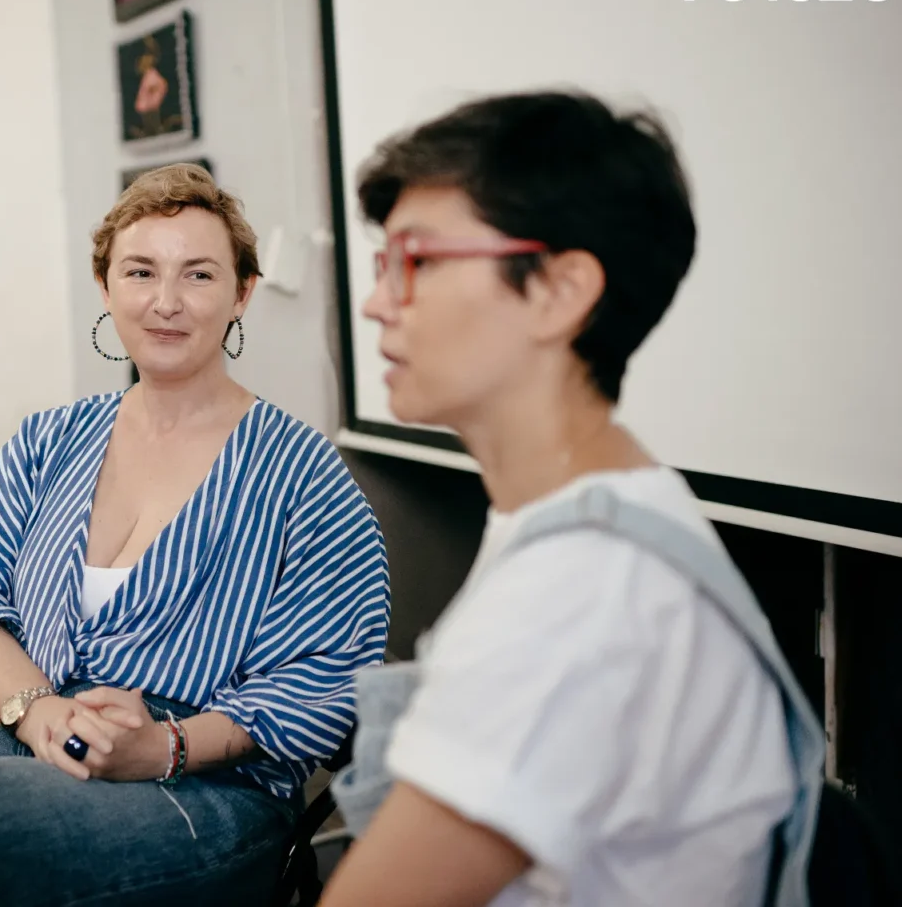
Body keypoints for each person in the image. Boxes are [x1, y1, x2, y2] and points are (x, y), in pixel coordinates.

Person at [0, 164, 390, 906]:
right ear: (105, 287)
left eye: (199, 275)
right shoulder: (48, 441)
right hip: (8, 745)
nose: (166, 302)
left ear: (242, 293)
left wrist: (161, 745)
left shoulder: (303, 473)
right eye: (140, 272)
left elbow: (322, 684)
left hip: (194, 789)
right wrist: (40, 713)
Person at [320, 92, 817, 906]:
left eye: (417, 260)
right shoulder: (597, 513)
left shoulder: (578, 595)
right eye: (384, 265)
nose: (377, 303)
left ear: (559, 290)